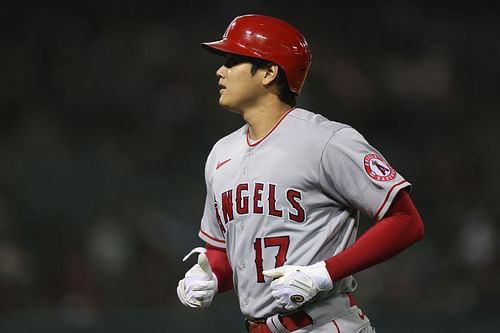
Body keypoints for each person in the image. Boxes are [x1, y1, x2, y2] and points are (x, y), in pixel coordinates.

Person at [177, 14, 424, 333]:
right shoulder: (220, 154)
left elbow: (406, 220)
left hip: (324, 323)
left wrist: (324, 272)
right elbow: (225, 253)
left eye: (233, 60)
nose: (220, 71)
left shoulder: (327, 141)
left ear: (268, 72)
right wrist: (209, 275)